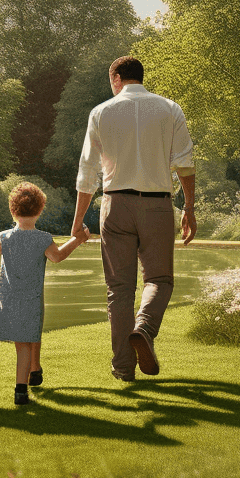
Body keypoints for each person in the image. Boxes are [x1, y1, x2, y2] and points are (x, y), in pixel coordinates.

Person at [72, 56, 197, 383]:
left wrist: (78, 219)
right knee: (159, 280)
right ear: (141, 77)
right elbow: (185, 162)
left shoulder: (100, 112)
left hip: (115, 206)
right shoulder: (170, 109)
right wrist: (190, 208)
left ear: (116, 79)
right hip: (157, 205)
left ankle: (124, 368)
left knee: (119, 289)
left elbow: (88, 172)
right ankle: (145, 328)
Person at [0, 183, 92, 405]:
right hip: (31, 298)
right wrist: (78, 239)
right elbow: (57, 257)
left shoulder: (5, 237)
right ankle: (21, 389)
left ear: (12, 210)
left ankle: (33, 373)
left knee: (24, 341)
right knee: (26, 343)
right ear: (40, 210)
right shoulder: (43, 238)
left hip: (8, 298)